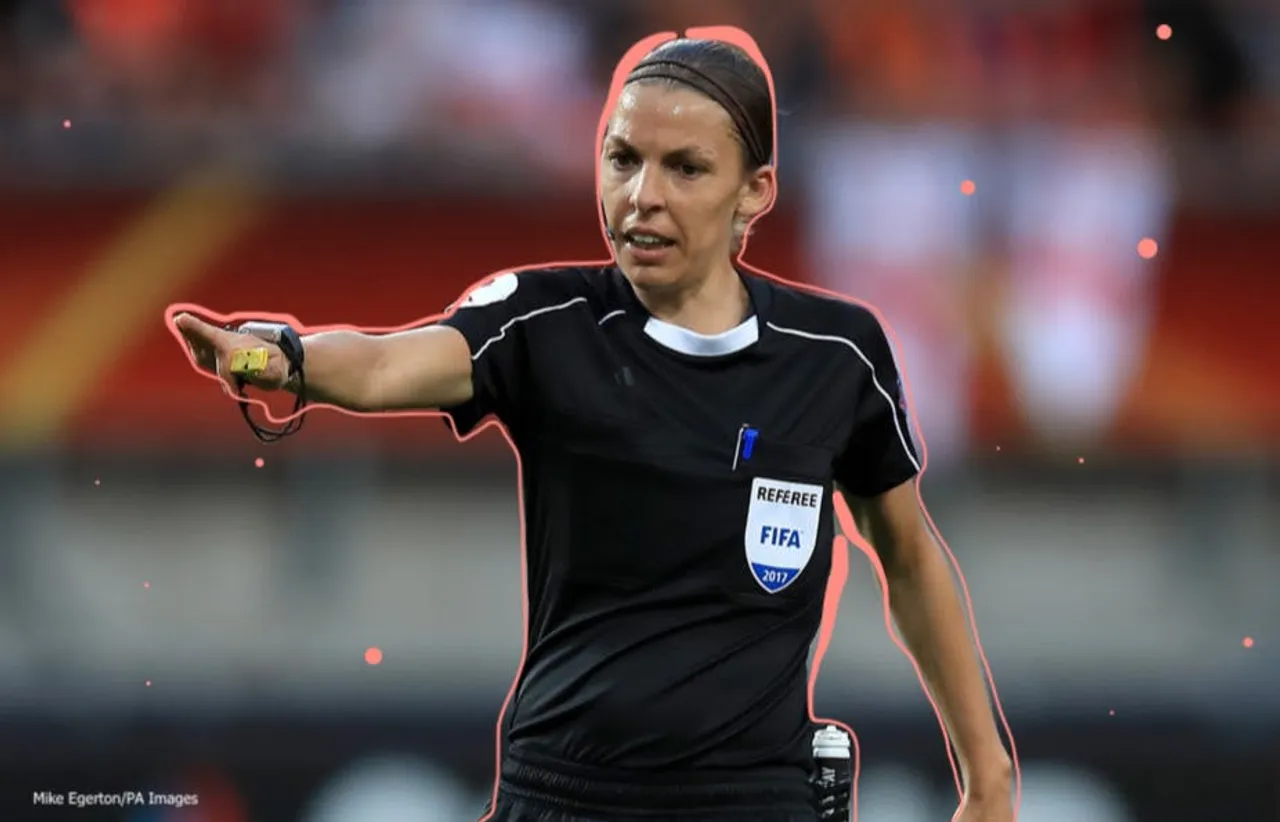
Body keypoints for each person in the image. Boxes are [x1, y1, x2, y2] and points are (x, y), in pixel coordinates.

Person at [172, 35, 1014, 822]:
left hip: (756, 799)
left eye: (685, 168)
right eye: (623, 160)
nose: (643, 196)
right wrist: (274, 359)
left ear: (754, 190)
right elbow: (390, 364)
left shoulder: (834, 355)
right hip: (567, 795)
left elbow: (908, 555)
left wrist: (989, 775)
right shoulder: (544, 321)